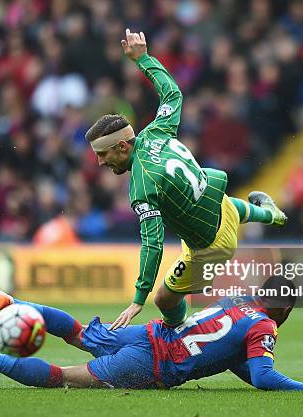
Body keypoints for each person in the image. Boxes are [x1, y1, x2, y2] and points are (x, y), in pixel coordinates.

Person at [86, 29, 288, 329]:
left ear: (123, 146)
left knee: (164, 300)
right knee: (229, 206)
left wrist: (138, 299)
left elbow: (152, 243)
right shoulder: (157, 129)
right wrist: (143, 58)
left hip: (210, 247)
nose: (100, 162)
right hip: (218, 207)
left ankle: (180, 339)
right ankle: (269, 213)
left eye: (103, 154)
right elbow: (172, 94)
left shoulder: (143, 183)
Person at [0, 279, 303, 391]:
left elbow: (237, 357)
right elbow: (262, 375)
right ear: (286, 310)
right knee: (64, 376)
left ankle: (13, 301)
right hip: (152, 364)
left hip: (149, 332)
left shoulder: (239, 298)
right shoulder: (265, 325)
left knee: (80, 332)